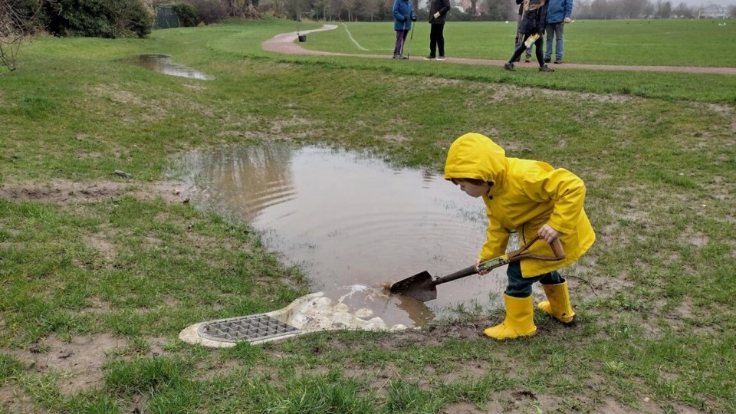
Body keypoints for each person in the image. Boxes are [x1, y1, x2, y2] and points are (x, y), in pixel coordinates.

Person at [444, 133, 595, 340]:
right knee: (544, 269)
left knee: (518, 275)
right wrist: (489, 258)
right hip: (541, 239)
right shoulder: (492, 190)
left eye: (462, 185)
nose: (461, 190)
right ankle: (561, 311)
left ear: (480, 177)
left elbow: (573, 186)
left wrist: (557, 225)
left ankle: (519, 325)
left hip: (560, 234)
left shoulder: (524, 177)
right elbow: (498, 226)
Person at [504, 0, 554, 72]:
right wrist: (534, 30)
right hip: (534, 29)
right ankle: (542, 66)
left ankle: (509, 63)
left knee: (528, 45)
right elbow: (531, 16)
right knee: (530, 45)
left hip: (535, 28)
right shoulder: (537, 2)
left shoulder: (542, 2)